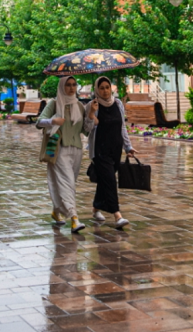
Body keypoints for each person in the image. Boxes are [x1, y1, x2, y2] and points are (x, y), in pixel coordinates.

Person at [36, 76, 88, 234]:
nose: (71, 88)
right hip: (59, 150)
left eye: (74, 84)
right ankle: (74, 218)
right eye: (68, 85)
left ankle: (56, 211)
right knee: (67, 183)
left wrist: (91, 116)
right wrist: (53, 121)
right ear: (61, 87)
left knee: (69, 184)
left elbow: (85, 130)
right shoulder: (54, 103)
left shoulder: (79, 105)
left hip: (77, 150)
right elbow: (39, 122)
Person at [85, 76, 136, 229]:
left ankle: (95, 209)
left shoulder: (118, 103)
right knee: (110, 181)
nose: (105, 91)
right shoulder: (92, 105)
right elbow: (86, 129)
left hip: (115, 150)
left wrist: (128, 147)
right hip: (100, 151)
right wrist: (91, 114)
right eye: (101, 88)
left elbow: (122, 127)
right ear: (96, 90)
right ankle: (117, 215)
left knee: (105, 181)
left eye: (107, 87)